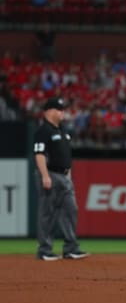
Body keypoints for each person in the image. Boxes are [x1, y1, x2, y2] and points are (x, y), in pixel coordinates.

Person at [33, 97, 89, 261]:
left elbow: (66, 156)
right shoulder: (43, 131)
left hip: (64, 176)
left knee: (71, 211)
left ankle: (71, 248)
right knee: (47, 213)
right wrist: (44, 175)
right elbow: (39, 154)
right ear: (49, 111)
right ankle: (44, 250)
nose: (62, 112)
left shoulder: (63, 131)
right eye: (59, 109)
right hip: (50, 174)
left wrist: (68, 175)